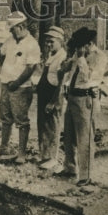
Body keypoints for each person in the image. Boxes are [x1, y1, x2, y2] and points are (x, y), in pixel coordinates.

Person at [58, 26, 107, 185]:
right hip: (72, 97)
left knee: (84, 138)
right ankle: (70, 168)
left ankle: (86, 175)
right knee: (69, 135)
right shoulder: (78, 52)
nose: (80, 48)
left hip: (86, 98)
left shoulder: (99, 57)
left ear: (89, 44)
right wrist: (68, 61)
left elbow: (88, 78)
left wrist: (80, 59)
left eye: (82, 45)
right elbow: (69, 72)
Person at [0, 12, 41, 164]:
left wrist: (16, 82)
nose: (11, 32)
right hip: (6, 83)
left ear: (21, 27)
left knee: (21, 120)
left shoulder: (32, 44)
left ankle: (22, 153)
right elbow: (1, 53)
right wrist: (6, 70)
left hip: (21, 87)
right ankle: (4, 146)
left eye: (13, 29)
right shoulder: (10, 40)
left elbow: (31, 67)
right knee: (5, 116)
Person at [36, 25, 68, 169]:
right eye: (47, 41)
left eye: (52, 42)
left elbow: (61, 83)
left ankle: (52, 157)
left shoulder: (63, 57)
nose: (49, 44)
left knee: (53, 126)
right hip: (44, 94)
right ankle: (44, 155)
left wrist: (53, 102)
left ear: (60, 42)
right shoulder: (51, 55)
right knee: (43, 125)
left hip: (53, 95)